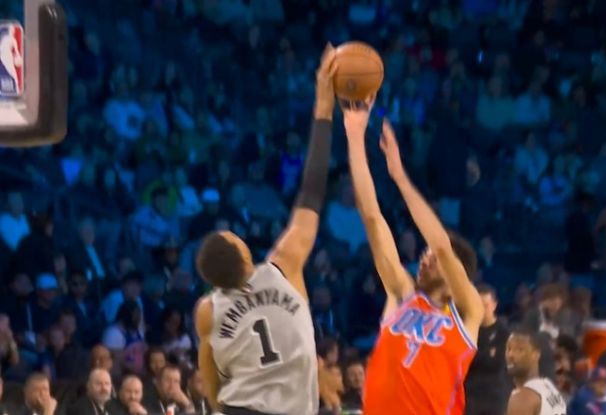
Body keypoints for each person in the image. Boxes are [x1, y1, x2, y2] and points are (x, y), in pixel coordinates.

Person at [193, 44, 337, 415]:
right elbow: (312, 190)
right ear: (243, 252)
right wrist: (324, 106)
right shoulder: (282, 267)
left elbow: (211, 385)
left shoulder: (207, 310)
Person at [343, 105, 484, 414]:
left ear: (456, 271)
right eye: (423, 256)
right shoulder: (402, 294)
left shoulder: (467, 312)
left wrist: (400, 177)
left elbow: (442, 246)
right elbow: (372, 216)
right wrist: (354, 136)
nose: (424, 260)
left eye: (430, 259)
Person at [465, 284, 511, 415]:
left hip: (495, 400)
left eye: (486, 305)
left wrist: (476, 355)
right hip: (470, 398)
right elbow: (463, 361)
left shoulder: (504, 333)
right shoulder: (467, 330)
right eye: (478, 305)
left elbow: (497, 362)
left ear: (494, 305)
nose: (482, 310)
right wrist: (487, 354)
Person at [505, 329, 566, 415]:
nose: (511, 355)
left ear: (536, 354)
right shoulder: (550, 387)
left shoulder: (523, 399)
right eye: (509, 349)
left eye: (519, 350)